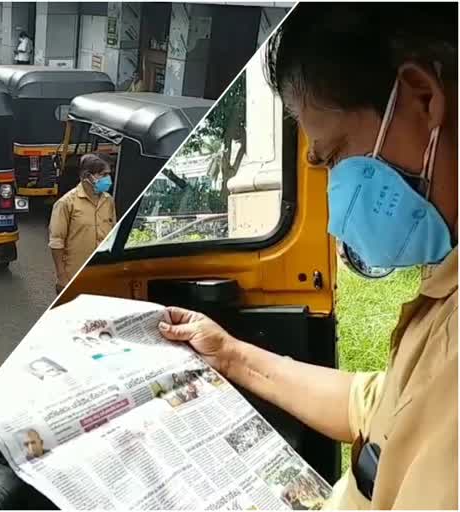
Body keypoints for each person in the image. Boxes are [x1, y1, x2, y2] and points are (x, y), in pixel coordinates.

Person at [159, 4, 456, 509]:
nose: (337, 211)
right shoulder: (444, 289)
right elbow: (379, 407)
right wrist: (230, 354)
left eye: (336, 154)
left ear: (423, 99)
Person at [49, 154, 116, 294]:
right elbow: (56, 242)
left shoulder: (108, 201)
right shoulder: (66, 203)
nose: (108, 179)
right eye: (103, 175)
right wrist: (61, 277)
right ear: (87, 176)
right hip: (75, 277)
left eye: (109, 174)